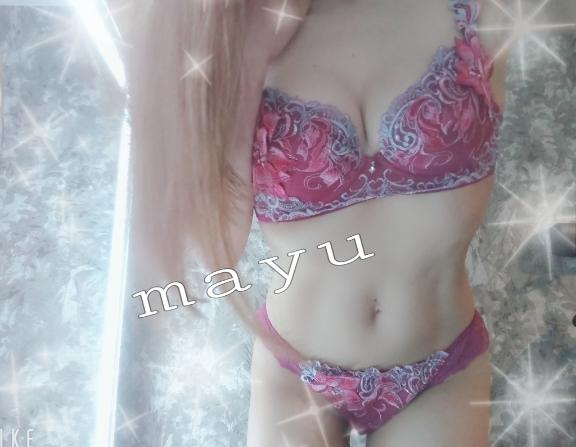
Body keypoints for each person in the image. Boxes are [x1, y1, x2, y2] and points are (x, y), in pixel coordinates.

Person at [117, 0, 574, 445]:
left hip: (438, 370)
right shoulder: (240, 31)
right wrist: (249, 60)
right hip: (296, 374)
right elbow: (220, 249)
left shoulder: (480, 12)